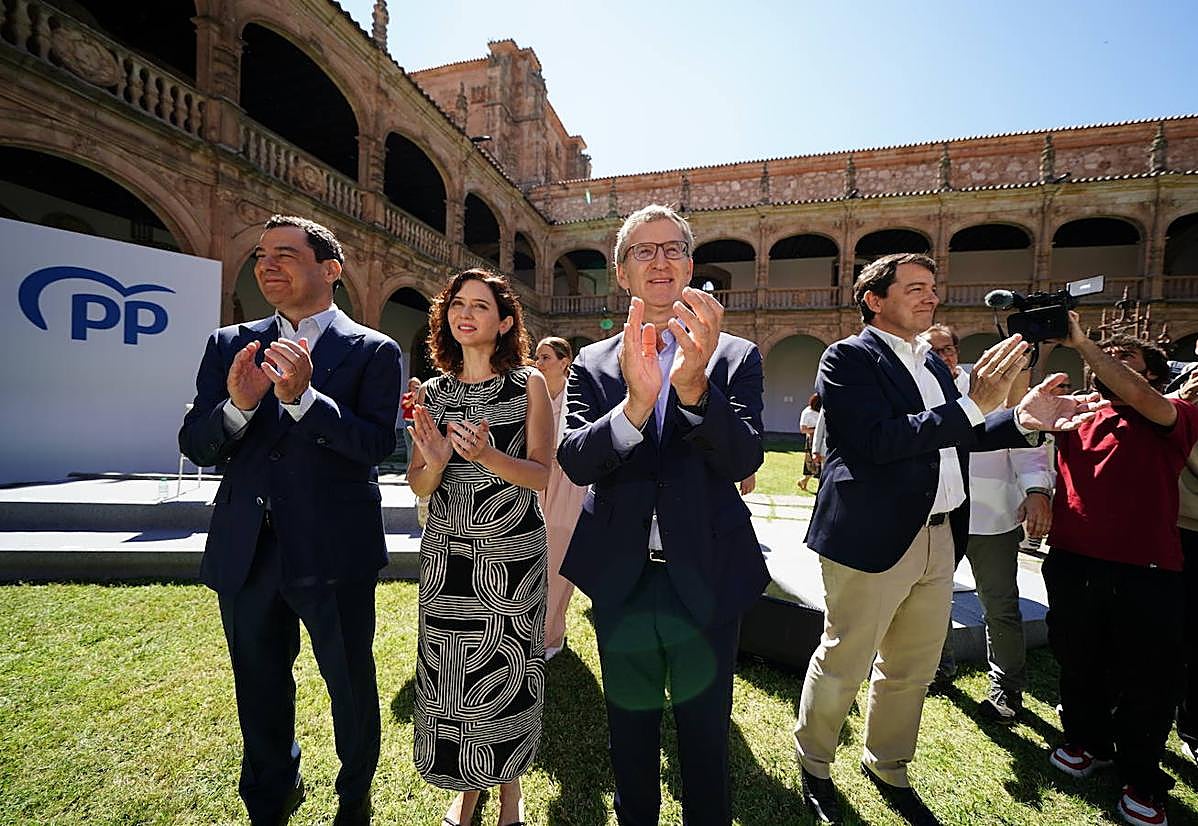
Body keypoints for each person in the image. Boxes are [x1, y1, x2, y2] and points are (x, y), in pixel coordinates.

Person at [794, 253, 1105, 826]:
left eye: (932, 288)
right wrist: (972, 403)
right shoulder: (847, 358)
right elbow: (877, 443)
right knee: (845, 658)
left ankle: (888, 764)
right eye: (914, 288)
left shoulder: (931, 366)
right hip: (872, 536)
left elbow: (963, 434)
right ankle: (814, 762)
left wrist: (1025, 419)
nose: (929, 297)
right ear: (874, 299)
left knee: (910, 666)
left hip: (940, 535)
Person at [179, 215, 402, 825]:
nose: (267, 265)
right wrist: (239, 406)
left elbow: (377, 443)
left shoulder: (373, 350)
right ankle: (269, 797)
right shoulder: (229, 345)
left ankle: (354, 797)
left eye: (285, 253)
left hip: (334, 550)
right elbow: (198, 442)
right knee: (258, 684)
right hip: (249, 549)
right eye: (259, 255)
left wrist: (304, 400)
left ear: (331, 270)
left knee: (349, 686)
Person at [558, 204, 768, 826]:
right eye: (643, 251)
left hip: (706, 571)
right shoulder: (594, 363)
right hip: (623, 577)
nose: (660, 260)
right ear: (621, 274)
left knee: (705, 733)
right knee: (631, 729)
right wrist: (633, 405)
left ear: (691, 266)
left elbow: (744, 458)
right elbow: (574, 459)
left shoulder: (734, 355)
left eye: (672, 248)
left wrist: (696, 388)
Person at [406, 269, 553, 826]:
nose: (465, 314)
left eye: (481, 306)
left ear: (505, 322)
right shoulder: (434, 392)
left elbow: (542, 476)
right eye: (457, 305)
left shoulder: (527, 385)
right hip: (446, 553)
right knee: (451, 678)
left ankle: (510, 792)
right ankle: (466, 790)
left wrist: (487, 456)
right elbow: (419, 484)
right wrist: (437, 462)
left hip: (509, 553)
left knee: (506, 677)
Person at [1043, 317, 1198, 826]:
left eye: (1122, 359)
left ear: (1154, 375)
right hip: (1072, 560)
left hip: (1146, 570)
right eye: (1097, 360)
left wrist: (1083, 342)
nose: (1100, 367)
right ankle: (1088, 744)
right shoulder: (1076, 416)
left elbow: (1137, 394)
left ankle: (1141, 776)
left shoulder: (1173, 414)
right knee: (1078, 658)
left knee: (1148, 677)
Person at [533, 335, 587, 660]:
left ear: (565, 362)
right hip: (535, 480)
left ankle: (552, 636)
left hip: (568, 482)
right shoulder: (530, 395)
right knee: (531, 559)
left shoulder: (579, 395)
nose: (538, 363)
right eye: (537, 357)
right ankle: (526, 632)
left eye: (546, 357)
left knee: (558, 560)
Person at [797, 393, 822, 492]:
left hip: (822, 439)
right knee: (812, 463)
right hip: (811, 440)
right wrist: (817, 430)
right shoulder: (807, 412)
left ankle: (803, 481)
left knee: (819, 464)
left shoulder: (822, 411)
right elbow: (803, 429)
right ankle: (805, 482)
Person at [399, 376, 420, 474]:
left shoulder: (422, 397)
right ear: (409, 387)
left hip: (417, 423)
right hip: (408, 423)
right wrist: (413, 398)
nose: (415, 388)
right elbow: (405, 406)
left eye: (417, 386)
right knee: (410, 448)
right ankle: (409, 472)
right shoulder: (407, 396)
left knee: (418, 448)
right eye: (413, 386)